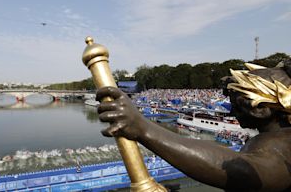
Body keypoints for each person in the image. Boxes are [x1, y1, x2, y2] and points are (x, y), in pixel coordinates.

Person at [96, 61, 291, 191]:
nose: (231, 112)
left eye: (236, 105)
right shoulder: (277, 139)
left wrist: (143, 128)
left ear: (261, 109)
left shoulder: (277, 145)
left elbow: (244, 171)